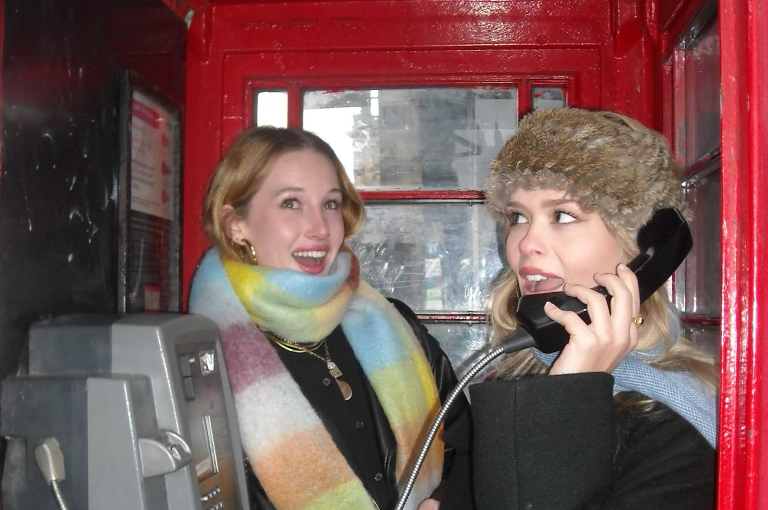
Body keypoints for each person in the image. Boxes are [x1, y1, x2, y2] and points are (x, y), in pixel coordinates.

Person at [439, 108, 718, 510]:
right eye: (518, 216)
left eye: (563, 215)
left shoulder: (674, 427)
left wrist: (568, 391)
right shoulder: (512, 376)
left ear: (644, 251)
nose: (525, 244)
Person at [188, 126, 468, 510]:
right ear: (237, 225)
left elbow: (464, 444)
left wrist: (444, 503)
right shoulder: (203, 361)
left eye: (331, 204)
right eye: (291, 203)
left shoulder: (394, 323)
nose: (320, 228)